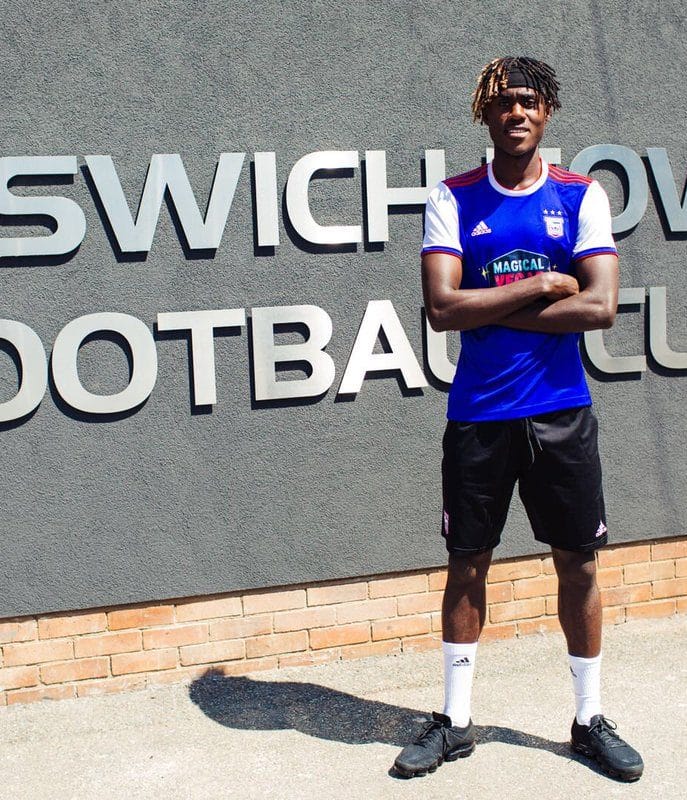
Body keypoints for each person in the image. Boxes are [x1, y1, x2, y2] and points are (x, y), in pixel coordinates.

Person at [393, 56, 643, 782]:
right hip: (479, 415)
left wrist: (492, 305)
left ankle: (589, 719)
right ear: (486, 113)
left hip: (561, 413)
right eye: (504, 102)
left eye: (529, 101)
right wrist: (539, 284)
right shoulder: (452, 198)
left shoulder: (580, 195)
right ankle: (455, 721)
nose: (517, 113)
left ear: (547, 111)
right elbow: (442, 308)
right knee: (467, 563)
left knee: (579, 564)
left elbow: (599, 307)